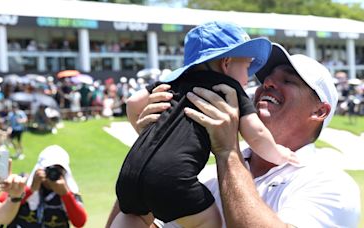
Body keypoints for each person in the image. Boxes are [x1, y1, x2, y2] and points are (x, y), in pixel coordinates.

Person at [115, 43, 361, 227]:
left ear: (319, 111)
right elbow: (132, 217)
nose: (268, 85)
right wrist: (150, 145)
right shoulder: (205, 176)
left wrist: (227, 151)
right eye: (264, 80)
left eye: (288, 80)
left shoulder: (330, 184)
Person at [113, 22, 297, 228]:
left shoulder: (175, 81)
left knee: (134, 216)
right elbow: (256, 133)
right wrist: (278, 153)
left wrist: (143, 131)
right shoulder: (228, 88)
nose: (248, 77)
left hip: (130, 172)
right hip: (172, 178)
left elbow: (132, 102)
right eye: (247, 67)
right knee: (209, 221)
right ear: (226, 63)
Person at [0, 145, 87, 227]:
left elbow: (79, 223)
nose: (53, 173)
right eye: (49, 169)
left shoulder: (70, 190)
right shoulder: (22, 182)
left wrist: (66, 195)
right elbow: (0, 207)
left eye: (58, 170)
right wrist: (30, 190)